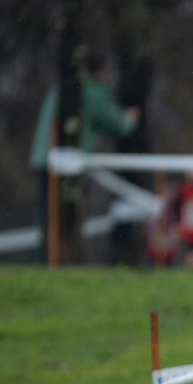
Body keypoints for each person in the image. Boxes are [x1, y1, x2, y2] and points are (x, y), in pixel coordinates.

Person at [28, 53, 140, 262]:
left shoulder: (60, 87)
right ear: (99, 73)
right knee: (68, 219)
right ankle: (64, 263)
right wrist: (130, 119)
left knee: (48, 218)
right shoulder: (91, 92)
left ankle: (47, 261)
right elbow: (118, 126)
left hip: (42, 159)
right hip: (67, 166)